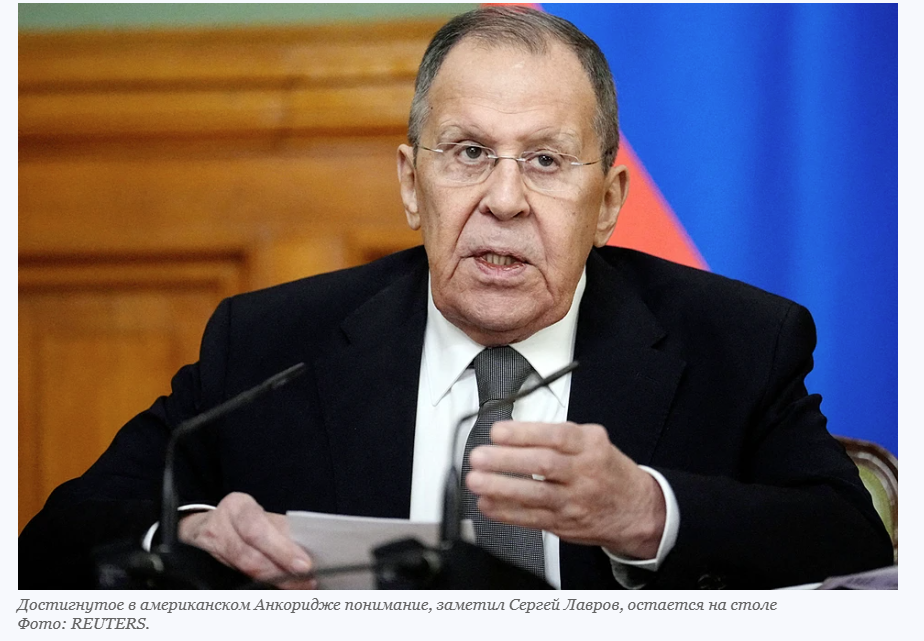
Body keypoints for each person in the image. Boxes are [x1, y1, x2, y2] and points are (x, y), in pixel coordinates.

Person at [19, 6, 891, 590]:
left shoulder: (737, 342)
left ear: (609, 203)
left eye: (545, 160)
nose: (504, 200)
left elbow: (851, 541)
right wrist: (189, 531)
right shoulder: (270, 344)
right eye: (469, 153)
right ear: (412, 183)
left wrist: (645, 511)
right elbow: (52, 541)